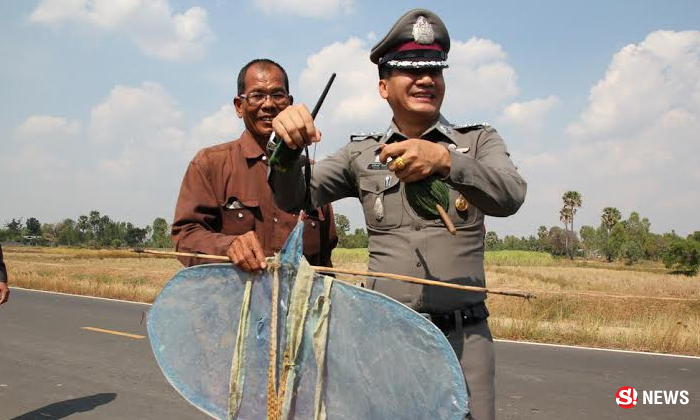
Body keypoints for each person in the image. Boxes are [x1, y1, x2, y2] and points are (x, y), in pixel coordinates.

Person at [269, 9, 526, 420]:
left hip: (465, 342)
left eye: (435, 70)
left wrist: (445, 161)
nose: (426, 79)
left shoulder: (478, 142)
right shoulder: (361, 154)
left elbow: (511, 195)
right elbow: (295, 195)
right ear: (383, 86)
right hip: (386, 341)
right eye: (410, 70)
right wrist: (283, 150)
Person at [171, 59, 338, 271]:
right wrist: (228, 246)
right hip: (233, 302)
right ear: (239, 106)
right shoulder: (209, 164)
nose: (268, 104)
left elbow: (325, 258)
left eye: (277, 95)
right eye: (257, 95)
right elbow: (185, 235)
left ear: (289, 103)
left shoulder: (313, 174)